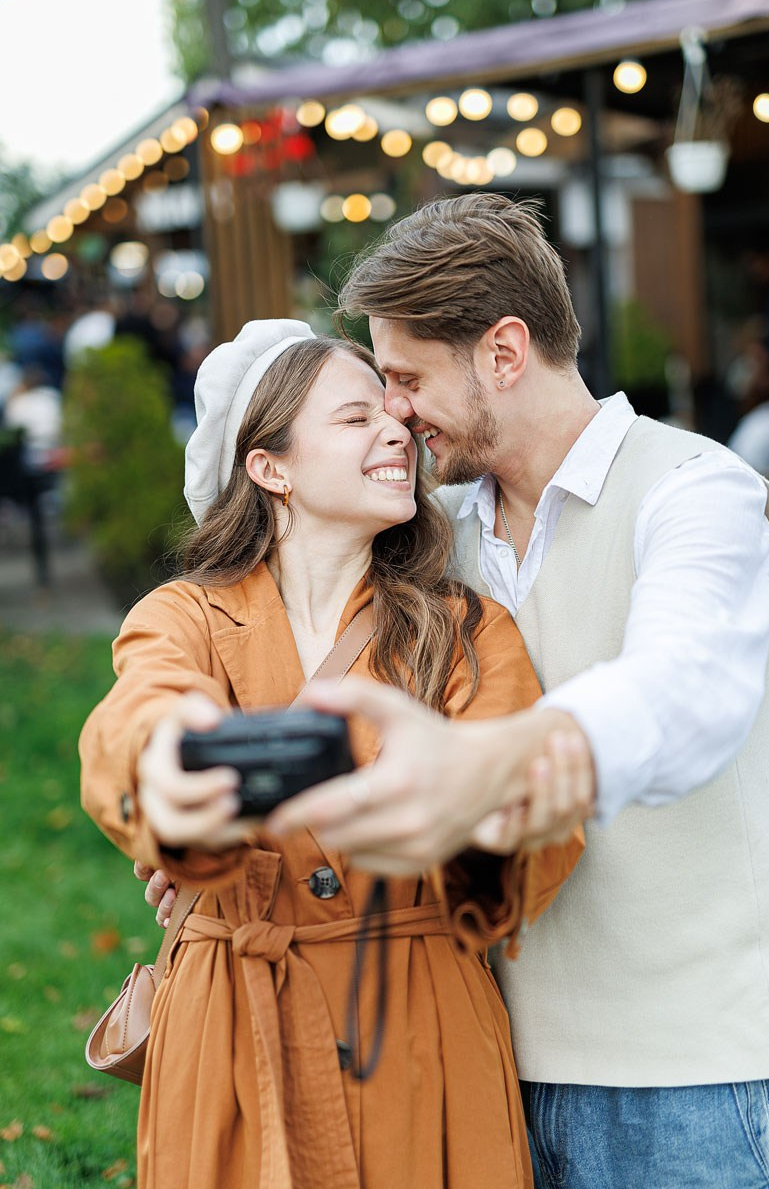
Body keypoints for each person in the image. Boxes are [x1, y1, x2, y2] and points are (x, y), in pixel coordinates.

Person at [255, 195, 769, 1188]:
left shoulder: (694, 490)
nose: (395, 410)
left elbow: (682, 692)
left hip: (688, 1078)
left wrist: (494, 758)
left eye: (408, 378)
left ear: (503, 353)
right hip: (487, 1060)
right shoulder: (432, 534)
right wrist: (227, 834)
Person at [79, 319, 584, 1189]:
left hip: (422, 1023)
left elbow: (531, 808)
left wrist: (466, 815)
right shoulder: (183, 617)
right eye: (357, 419)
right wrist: (168, 778)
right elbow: (140, 714)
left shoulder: (464, 629)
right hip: (233, 1021)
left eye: (396, 415)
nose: (398, 432)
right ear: (269, 467)